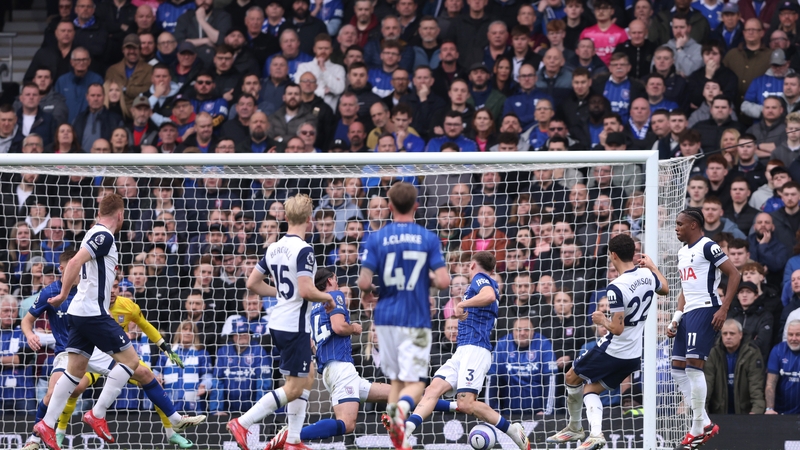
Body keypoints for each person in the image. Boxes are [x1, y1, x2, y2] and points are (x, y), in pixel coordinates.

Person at [31, 195, 205, 449]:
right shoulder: (104, 235)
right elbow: (75, 262)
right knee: (132, 362)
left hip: (81, 313)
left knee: (75, 372)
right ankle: (98, 413)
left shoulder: (95, 233)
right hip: (92, 312)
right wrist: (63, 293)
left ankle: (46, 423)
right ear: (121, 215)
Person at [227, 194, 335, 450]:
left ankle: (294, 440)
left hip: (279, 321)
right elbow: (307, 291)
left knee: (306, 376)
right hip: (293, 325)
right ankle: (242, 422)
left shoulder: (273, 247)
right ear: (310, 221)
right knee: (295, 387)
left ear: (285, 218)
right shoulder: (304, 250)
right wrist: (329, 297)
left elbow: (251, 283)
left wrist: (280, 293)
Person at [547, 234, 668, 449]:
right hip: (632, 356)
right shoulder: (648, 275)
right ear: (633, 253)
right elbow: (665, 289)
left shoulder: (616, 287)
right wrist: (653, 266)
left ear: (613, 255)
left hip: (613, 350)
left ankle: (575, 427)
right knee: (590, 390)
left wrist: (603, 319)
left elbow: (618, 328)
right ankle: (595, 434)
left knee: (571, 377)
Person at [404, 251, 530, 450]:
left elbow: (488, 295)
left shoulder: (481, 279)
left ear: (472, 265)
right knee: (432, 389)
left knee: (466, 404)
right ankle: (406, 430)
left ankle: (511, 430)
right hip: (463, 351)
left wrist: (462, 303)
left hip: (476, 349)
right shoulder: (483, 284)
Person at [358, 182, 450, 450]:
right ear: (416, 207)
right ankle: (400, 416)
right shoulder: (428, 238)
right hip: (415, 317)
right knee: (418, 385)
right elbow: (444, 281)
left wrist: (369, 293)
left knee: (397, 380)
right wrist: (426, 275)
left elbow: (364, 282)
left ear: (389, 207)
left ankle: (397, 436)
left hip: (385, 317)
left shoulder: (376, 238)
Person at [667, 208, 741, 449]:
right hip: (688, 314)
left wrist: (724, 309)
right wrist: (676, 317)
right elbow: (684, 290)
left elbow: (735, 273)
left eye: (680, 223)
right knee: (677, 368)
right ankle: (705, 422)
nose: (676, 227)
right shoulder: (681, 252)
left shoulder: (708, 246)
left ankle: (698, 426)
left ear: (693, 225)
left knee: (693, 367)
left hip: (706, 310)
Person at [703, 319, 766, 414]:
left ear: (740, 335)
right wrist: (703, 415)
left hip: (745, 414)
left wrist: (755, 415)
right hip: (718, 413)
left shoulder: (752, 353)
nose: (728, 337)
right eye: (725, 334)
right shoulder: (713, 353)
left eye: (732, 334)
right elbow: (707, 386)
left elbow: (756, 387)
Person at [765, 320, 800, 414]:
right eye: (790, 334)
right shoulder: (778, 351)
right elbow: (770, 384)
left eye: (798, 334)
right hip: (781, 413)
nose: (794, 338)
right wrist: (769, 409)